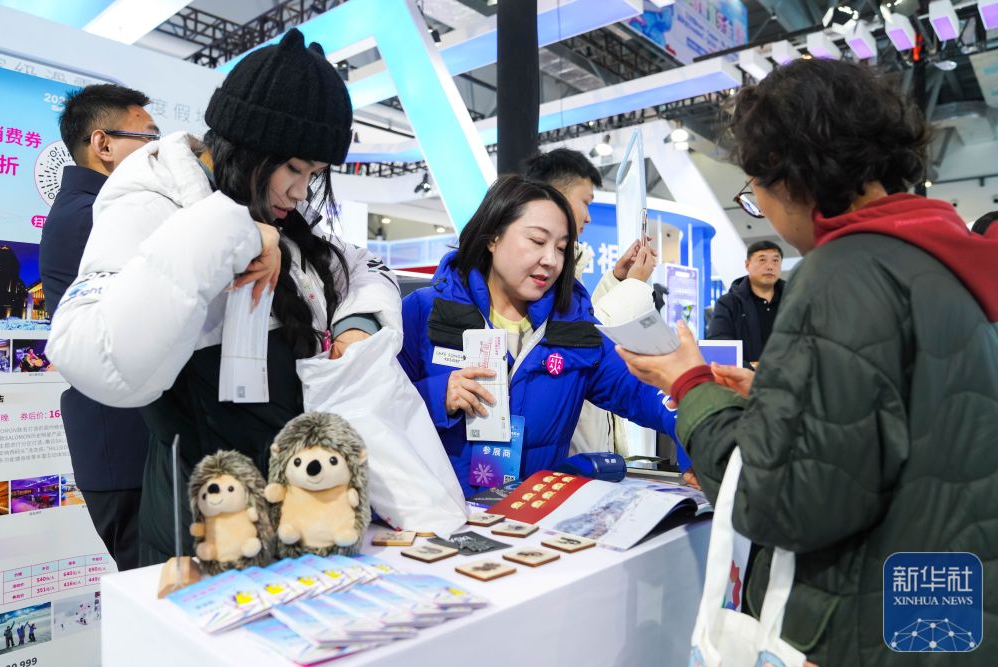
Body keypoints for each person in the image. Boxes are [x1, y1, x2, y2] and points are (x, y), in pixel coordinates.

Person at [616, 58, 998, 665]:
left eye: (755, 191)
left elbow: (783, 502)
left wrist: (688, 384)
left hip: (862, 627)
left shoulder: (843, 274)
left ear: (789, 173)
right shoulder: (941, 263)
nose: (763, 211)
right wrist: (778, 395)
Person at [47, 29, 401, 566]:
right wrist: (231, 233)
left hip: (293, 507)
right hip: (199, 517)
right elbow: (94, 357)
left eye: (314, 175)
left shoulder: (285, 218)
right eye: (293, 168)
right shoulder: (151, 203)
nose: (300, 190)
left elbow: (365, 268)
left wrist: (359, 325)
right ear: (247, 144)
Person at [399, 175, 679, 496]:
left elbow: (638, 388)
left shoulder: (572, 325)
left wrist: (694, 418)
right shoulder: (423, 311)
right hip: (439, 512)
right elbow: (374, 406)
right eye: (536, 241)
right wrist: (438, 395)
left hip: (533, 514)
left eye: (561, 248)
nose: (551, 260)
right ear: (493, 237)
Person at [38, 84, 153, 571]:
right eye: (148, 140)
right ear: (102, 144)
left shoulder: (97, 210)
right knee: (159, 592)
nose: (158, 155)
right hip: (126, 447)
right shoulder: (92, 216)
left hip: (130, 442)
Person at [523, 148, 658, 456]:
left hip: (587, 440)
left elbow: (586, 323)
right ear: (555, 196)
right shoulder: (540, 273)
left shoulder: (569, 265)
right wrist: (634, 285)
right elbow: (583, 341)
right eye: (585, 202)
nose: (588, 216)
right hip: (565, 450)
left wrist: (618, 279)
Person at [706, 240, 784, 368]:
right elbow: (719, 345)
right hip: (744, 376)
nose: (770, 266)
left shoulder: (794, 301)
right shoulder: (729, 303)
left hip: (790, 377)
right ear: (747, 265)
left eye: (775, 260)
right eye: (762, 260)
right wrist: (749, 367)